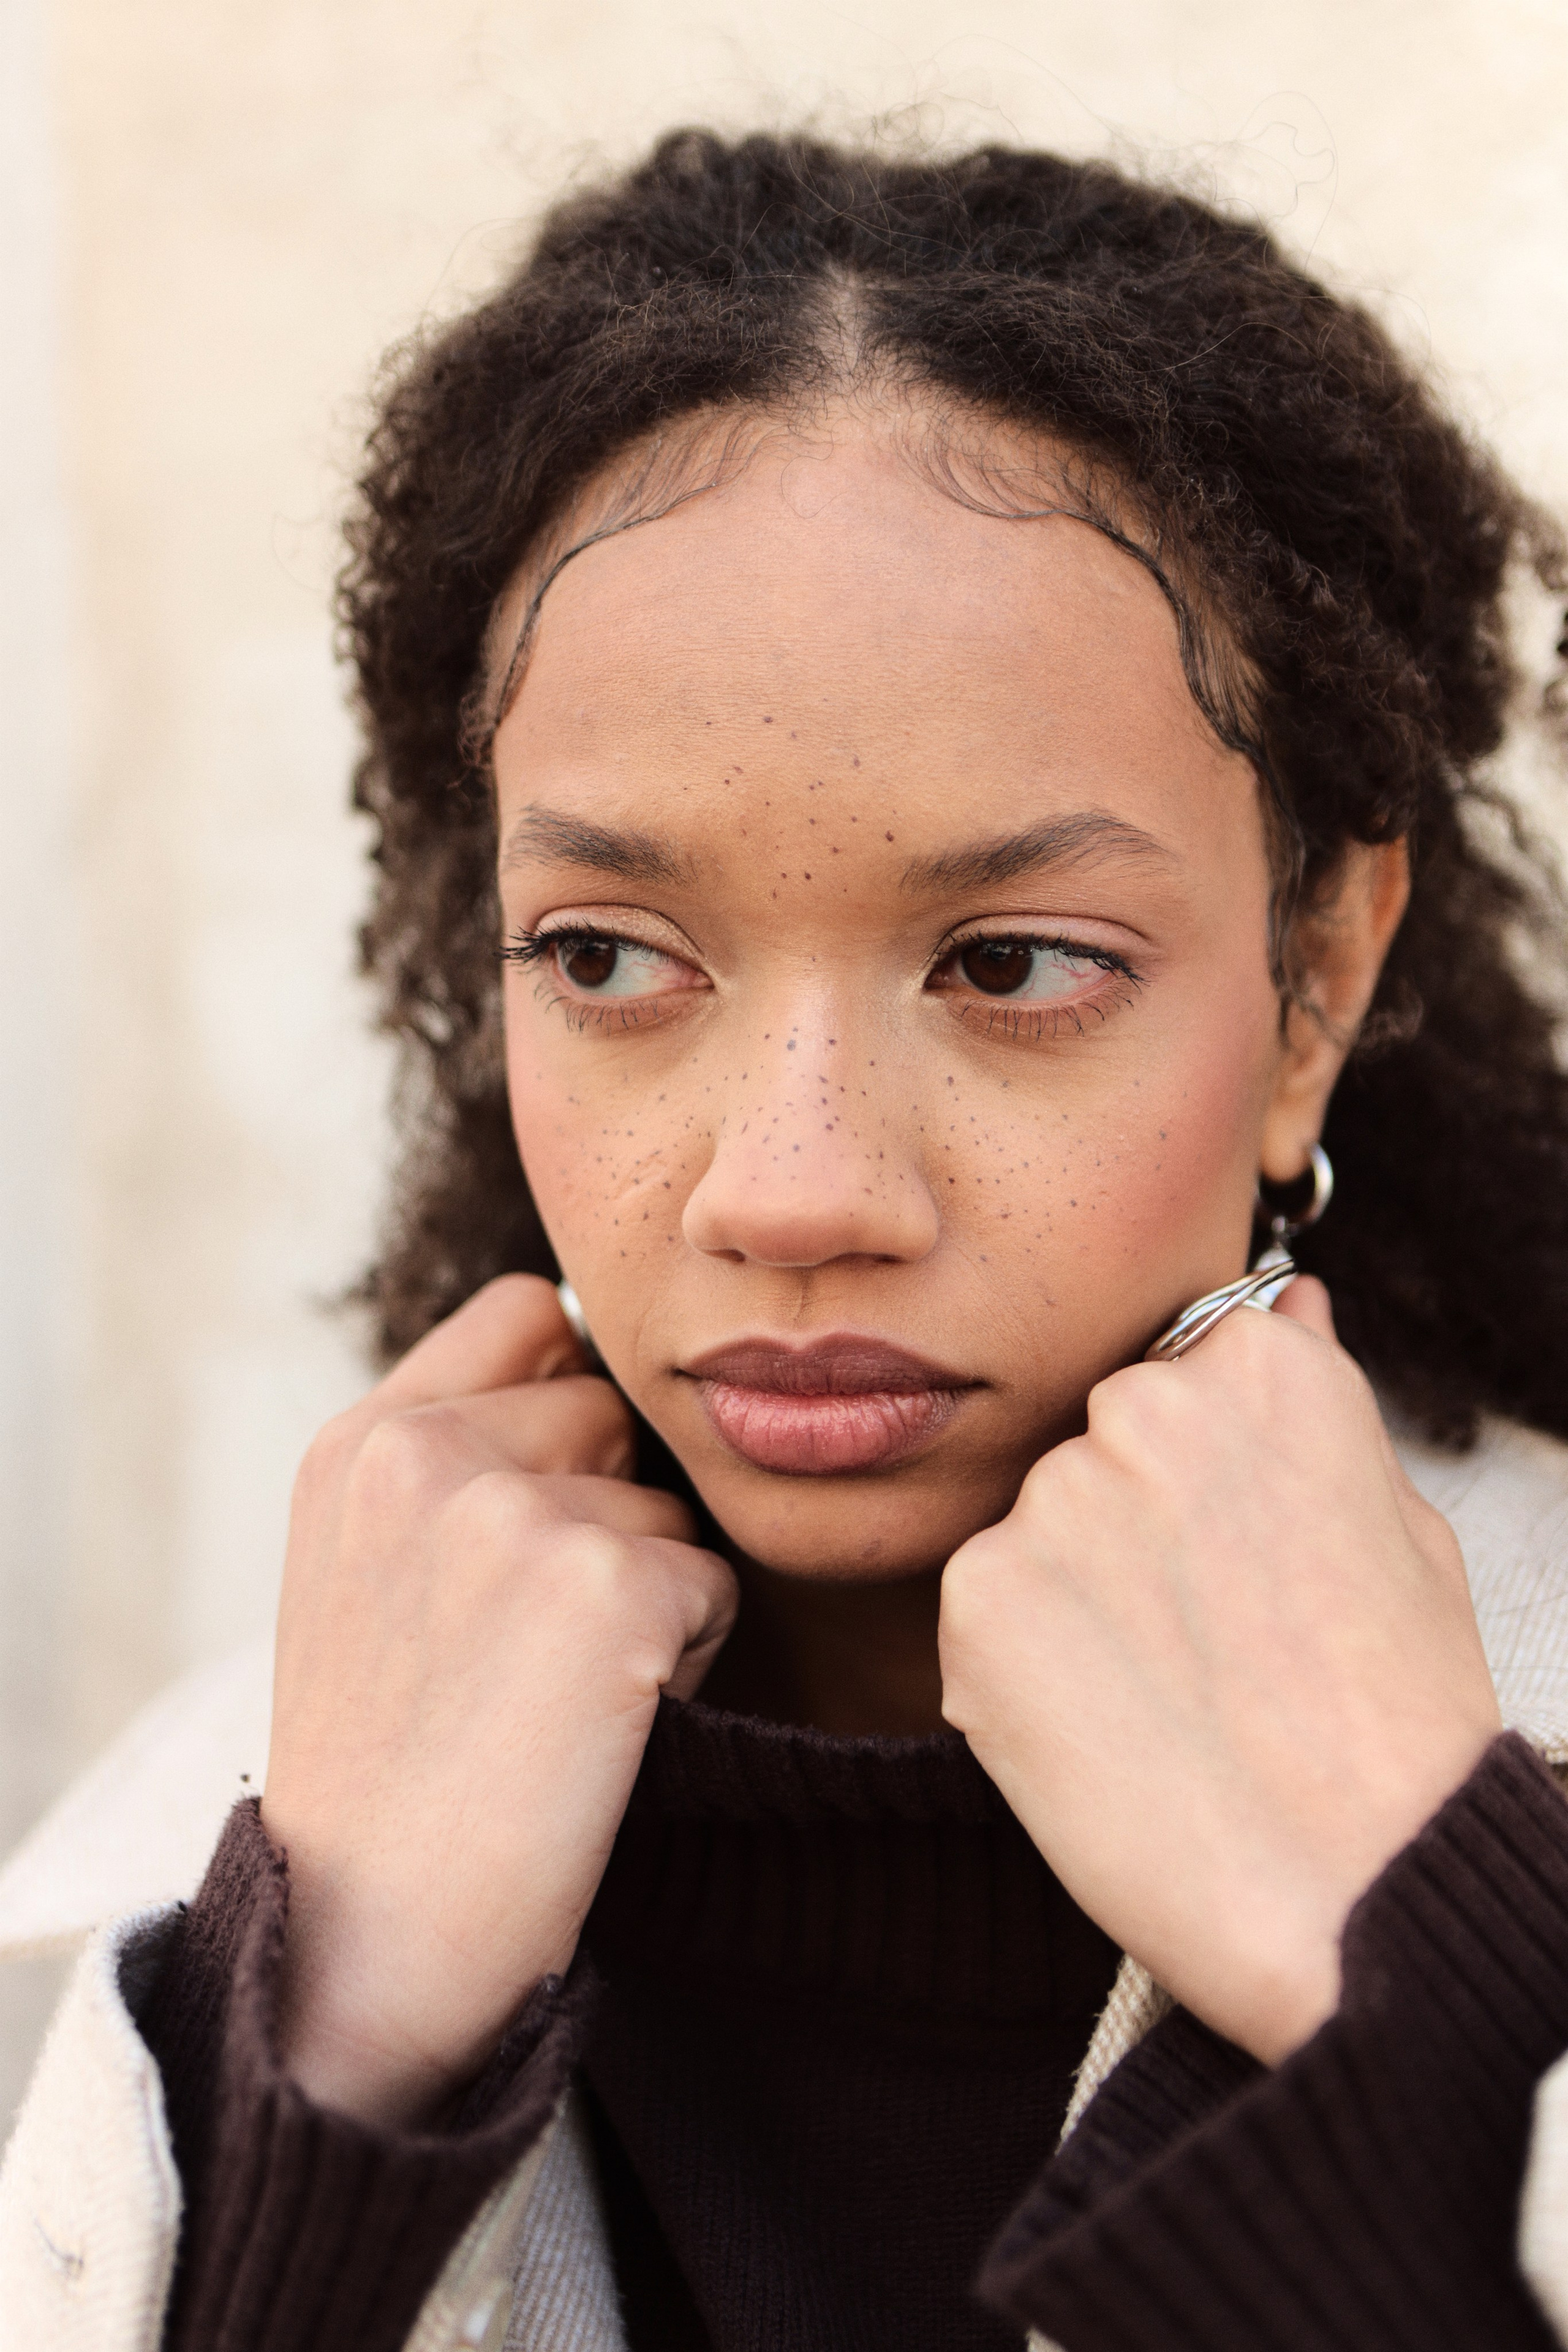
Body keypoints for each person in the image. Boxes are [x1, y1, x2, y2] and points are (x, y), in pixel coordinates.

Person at [6, 127, 1568, 2352]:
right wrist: (313, 2086)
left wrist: (1443, 1988)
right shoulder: (158, 1919)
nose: (794, 1189)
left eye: (1015, 965)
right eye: (615, 956)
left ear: (1316, 976)